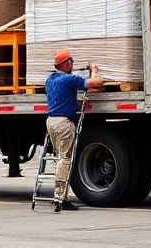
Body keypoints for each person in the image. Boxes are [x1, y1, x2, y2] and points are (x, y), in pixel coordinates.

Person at [46, 49, 104, 213]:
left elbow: (65, 95)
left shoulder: (50, 79)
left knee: (60, 158)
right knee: (65, 159)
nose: (73, 64)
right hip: (64, 123)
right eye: (71, 61)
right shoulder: (68, 79)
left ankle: (59, 194)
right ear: (65, 64)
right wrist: (94, 69)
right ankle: (60, 198)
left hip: (51, 121)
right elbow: (96, 83)